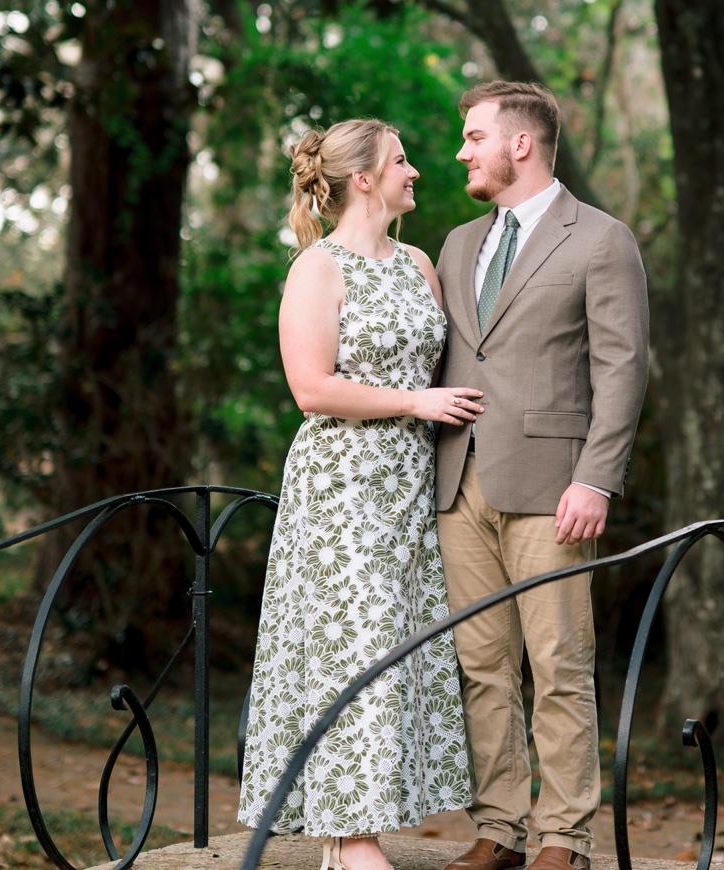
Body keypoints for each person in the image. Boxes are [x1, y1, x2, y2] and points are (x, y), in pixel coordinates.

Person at [238, 119, 481, 870]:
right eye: (401, 160)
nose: (416, 171)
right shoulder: (318, 268)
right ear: (365, 179)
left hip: (412, 485)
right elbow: (311, 389)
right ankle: (351, 840)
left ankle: (354, 833)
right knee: (354, 647)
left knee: (399, 651)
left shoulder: (417, 262)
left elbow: (447, 367)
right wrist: (414, 403)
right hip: (342, 488)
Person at [434, 82, 650, 870]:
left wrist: (596, 478)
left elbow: (622, 366)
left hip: (554, 486)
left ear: (520, 143)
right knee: (481, 667)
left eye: (474, 136)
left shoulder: (600, 238)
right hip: (457, 480)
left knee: (559, 665)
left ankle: (563, 837)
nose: (462, 151)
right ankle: (498, 828)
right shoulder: (458, 243)